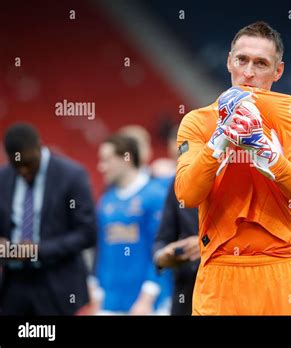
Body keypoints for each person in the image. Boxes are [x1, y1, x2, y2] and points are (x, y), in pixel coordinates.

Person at [175, 21, 291, 315]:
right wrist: (219, 141)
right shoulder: (197, 121)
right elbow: (187, 195)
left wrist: (265, 152)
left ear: (277, 71)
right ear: (230, 61)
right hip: (219, 271)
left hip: (278, 268)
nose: (248, 72)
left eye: (261, 63)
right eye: (242, 60)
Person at [0, 123, 96, 315]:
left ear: (39, 146)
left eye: (29, 163)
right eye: (17, 166)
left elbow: (87, 234)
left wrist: (37, 250)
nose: (24, 171)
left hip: (57, 285)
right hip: (14, 287)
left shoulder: (72, 175)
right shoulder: (3, 177)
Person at [92, 134, 173, 315]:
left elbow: (161, 251)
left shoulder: (155, 196)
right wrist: (97, 292)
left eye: (107, 160)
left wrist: (147, 297)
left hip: (146, 305)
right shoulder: (106, 200)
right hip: (110, 304)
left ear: (125, 159)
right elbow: (101, 251)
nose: (101, 167)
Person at [153, 176, 199, 315]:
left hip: (229, 293)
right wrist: (162, 256)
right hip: (186, 294)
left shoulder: (240, 174)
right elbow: (163, 239)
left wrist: (206, 244)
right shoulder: (179, 181)